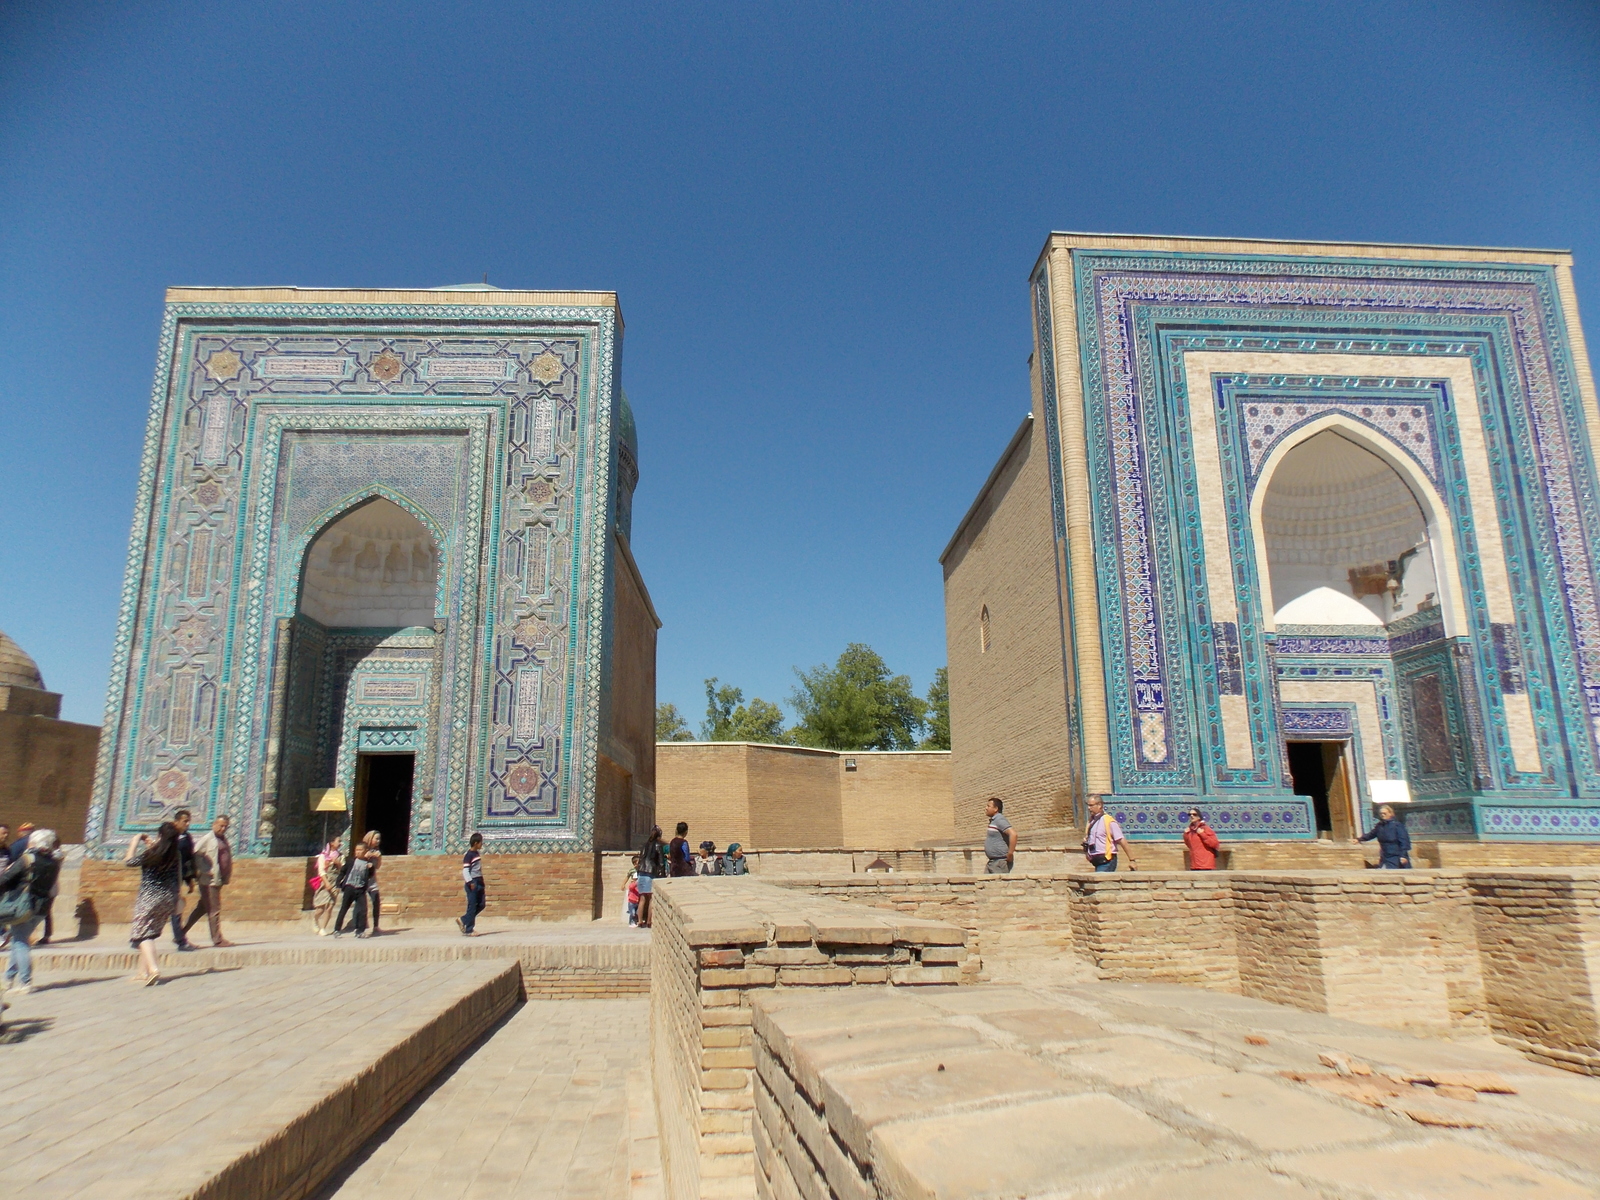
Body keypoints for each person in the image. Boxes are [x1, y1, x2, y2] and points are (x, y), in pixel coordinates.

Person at [2, 829, 60, 996]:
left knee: (20, 943)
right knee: (18, 940)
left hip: (22, 906)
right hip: (41, 908)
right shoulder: (54, 861)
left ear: (34, 842)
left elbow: (5, 879)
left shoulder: (27, 859)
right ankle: (8, 979)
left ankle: (25, 982)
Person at [126, 821, 183, 984]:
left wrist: (136, 840)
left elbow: (129, 861)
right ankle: (142, 972)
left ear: (160, 835)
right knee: (149, 933)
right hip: (168, 898)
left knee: (141, 935)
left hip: (149, 898)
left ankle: (153, 969)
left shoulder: (151, 853)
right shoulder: (175, 854)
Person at [183, 814, 235, 946]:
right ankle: (217, 940)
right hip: (209, 881)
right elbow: (196, 854)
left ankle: (180, 934)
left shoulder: (222, 839)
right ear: (214, 825)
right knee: (214, 909)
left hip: (218, 879)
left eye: (225, 826)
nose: (223, 828)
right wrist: (205, 869)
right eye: (221, 825)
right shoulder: (208, 839)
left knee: (202, 909)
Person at [168, 808, 199, 951]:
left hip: (177, 878)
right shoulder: (168, 837)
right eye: (184, 821)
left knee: (176, 909)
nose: (187, 824)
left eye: (188, 821)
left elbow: (189, 860)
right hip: (164, 878)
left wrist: (190, 879)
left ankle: (181, 940)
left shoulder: (187, 838)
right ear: (176, 822)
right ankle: (181, 941)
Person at [1082, 797, 1136, 873]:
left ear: (1099, 805)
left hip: (1107, 861)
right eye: (1088, 805)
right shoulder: (1091, 822)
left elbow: (1121, 840)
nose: (1088, 808)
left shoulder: (1109, 821)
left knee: (1099, 882)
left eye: (1091, 805)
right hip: (1096, 861)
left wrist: (1132, 860)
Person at [334, 843, 372, 937]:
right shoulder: (351, 861)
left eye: (360, 850)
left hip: (360, 889)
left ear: (366, 851)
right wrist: (338, 884)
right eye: (356, 850)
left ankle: (360, 931)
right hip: (349, 887)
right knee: (344, 908)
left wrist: (370, 868)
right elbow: (343, 871)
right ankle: (337, 929)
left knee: (363, 910)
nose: (358, 852)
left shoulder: (368, 863)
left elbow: (370, 875)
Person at [1359, 805, 1412, 869]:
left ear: (1390, 813)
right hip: (1385, 856)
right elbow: (1371, 835)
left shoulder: (1397, 826)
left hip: (1396, 856)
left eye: (1384, 813)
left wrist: (1403, 856)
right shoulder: (1380, 826)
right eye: (1381, 813)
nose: (1382, 815)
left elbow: (1404, 841)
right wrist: (1359, 839)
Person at [311, 838, 344, 935]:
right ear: (332, 843)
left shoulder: (340, 856)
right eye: (338, 841)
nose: (340, 843)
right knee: (320, 907)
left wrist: (338, 863)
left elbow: (343, 869)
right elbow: (321, 871)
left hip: (335, 882)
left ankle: (323, 928)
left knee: (330, 906)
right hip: (324, 882)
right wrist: (326, 883)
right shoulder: (323, 856)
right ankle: (315, 919)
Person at [636, 826, 664, 927]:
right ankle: (649, 921)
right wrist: (662, 874)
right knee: (651, 898)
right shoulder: (657, 845)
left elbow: (641, 858)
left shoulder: (644, 845)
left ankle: (639, 921)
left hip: (641, 872)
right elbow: (661, 862)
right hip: (650, 873)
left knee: (642, 898)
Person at [458, 833, 485, 936]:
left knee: (481, 904)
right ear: (475, 843)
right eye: (480, 842)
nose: (482, 844)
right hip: (473, 882)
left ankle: (463, 919)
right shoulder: (468, 855)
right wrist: (470, 882)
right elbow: (465, 871)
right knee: (472, 906)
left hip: (479, 881)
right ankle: (469, 930)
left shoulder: (476, 854)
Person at [984, 798, 1015, 874]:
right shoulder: (994, 821)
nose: (986, 808)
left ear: (995, 809)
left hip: (999, 863)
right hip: (992, 862)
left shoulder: (999, 820)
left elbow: (1013, 834)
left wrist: (1010, 853)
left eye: (988, 806)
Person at [362, 831, 384, 935]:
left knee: (376, 901)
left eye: (379, 839)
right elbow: (357, 862)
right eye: (376, 838)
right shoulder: (362, 848)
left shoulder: (376, 851)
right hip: (361, 879)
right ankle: (362, 925)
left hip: (372, 880)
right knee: (362, 904)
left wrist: (378, 858)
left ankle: (376, 926)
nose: (378, 841)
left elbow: (378, 866)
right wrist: (366, 856)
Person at [625, 859, 641, 926]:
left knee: (636, 911)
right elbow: (627, 877)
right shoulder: (632, 871)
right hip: (633, 891)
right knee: (633, 913)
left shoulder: (641, 870)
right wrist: (623, 884)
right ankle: (631, 922)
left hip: (637, 891)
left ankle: (635, 921)